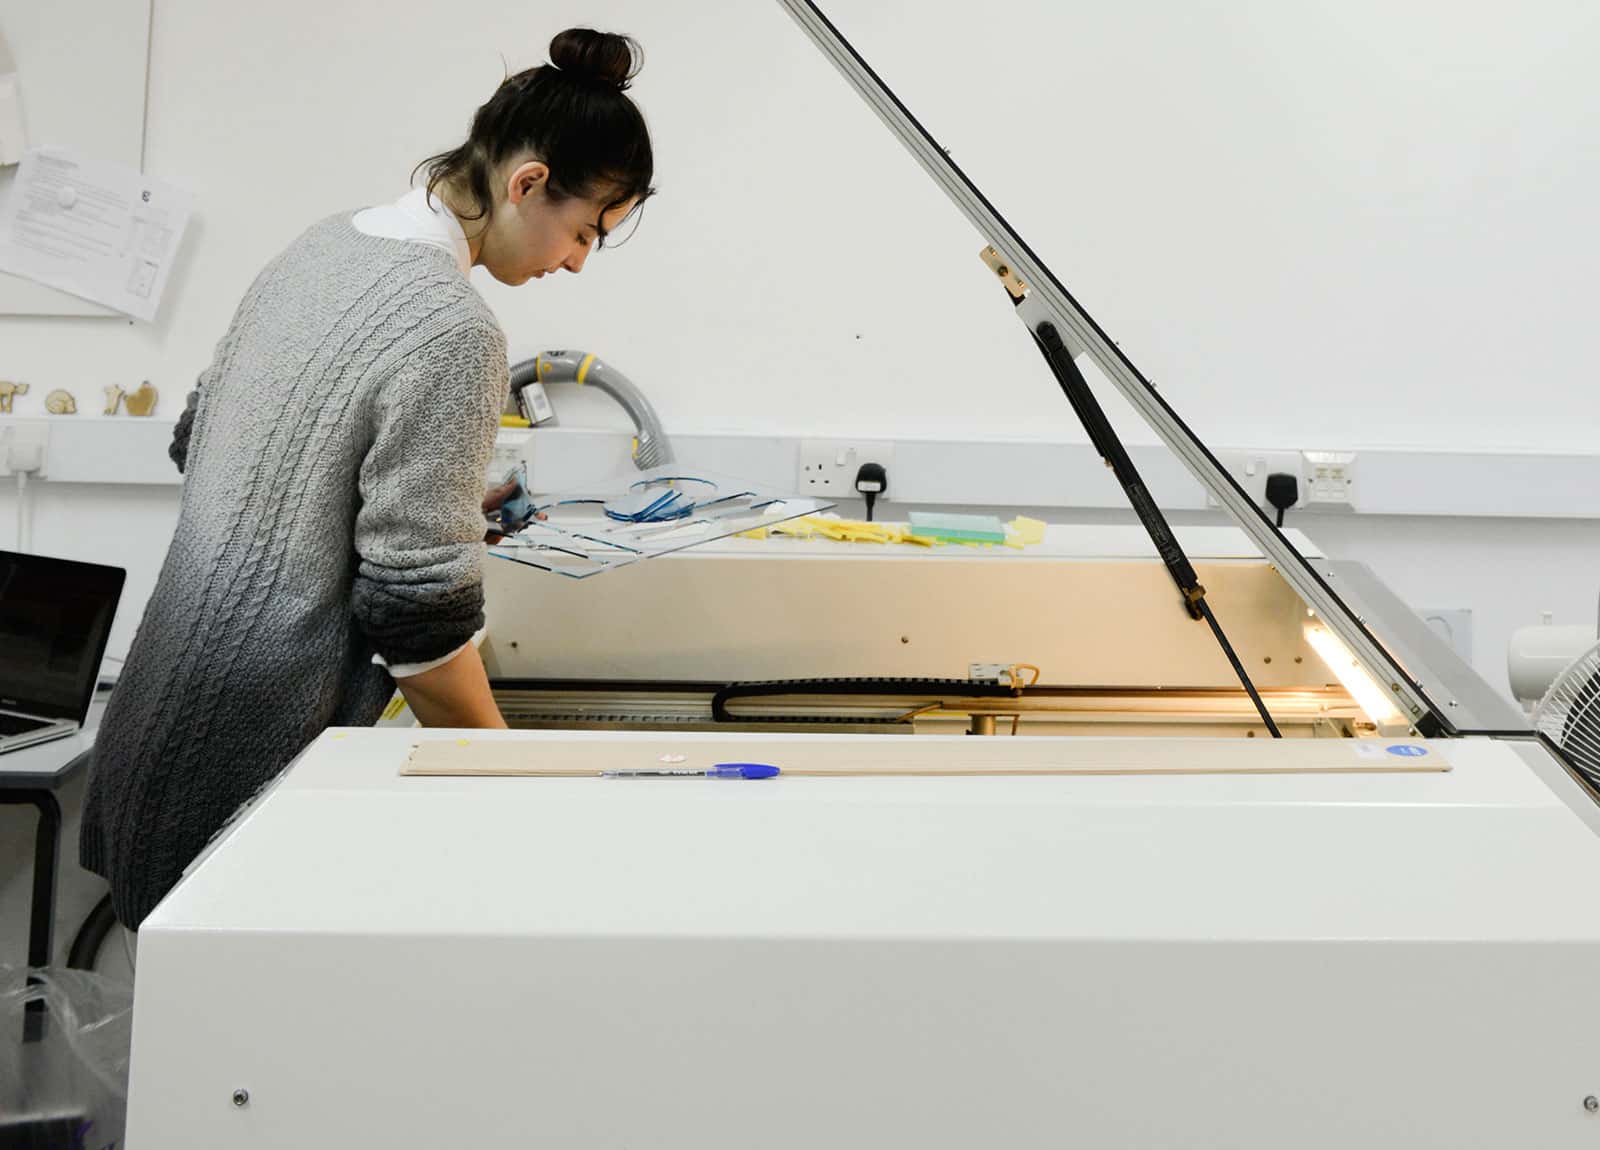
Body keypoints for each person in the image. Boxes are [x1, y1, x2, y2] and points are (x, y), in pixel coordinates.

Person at [80, 28, 655, 929]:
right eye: (585, 231)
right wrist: (510, 776)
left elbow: (207, 438)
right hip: (252, 761)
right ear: (528, 183)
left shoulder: (324, 246)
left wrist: (425, 502)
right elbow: (416, 619)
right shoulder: (455, 328)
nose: (576, 261)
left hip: (158, 723)